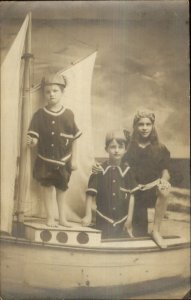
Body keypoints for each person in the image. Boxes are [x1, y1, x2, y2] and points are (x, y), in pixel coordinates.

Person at [92, 110, 171, 248]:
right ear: (135, 126)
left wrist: (164, 180)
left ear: (153, 126)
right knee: (134, 234)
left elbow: (166, 170)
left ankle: (156, 231)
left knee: (164, 191)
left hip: (149, 191)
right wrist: (98, 167)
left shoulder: (160, 148)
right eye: (141, 124)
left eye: (148, 124)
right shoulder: (129, 146)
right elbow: (114, 158)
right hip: (131, 192)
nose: (145, 128)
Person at [27, 73, 82, 227]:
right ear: (44, 93)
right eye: (47, 91)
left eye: (55, 91)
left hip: (64, 160)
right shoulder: (39, 115)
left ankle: (62, 218)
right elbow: (34, 138)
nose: (51, 94)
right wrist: (32, 142)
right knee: (46, 187)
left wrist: (75, 159)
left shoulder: (68, 114)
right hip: (45, 159)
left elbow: (74, 138)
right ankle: (50, 217)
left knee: (61, 189)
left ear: (62, 92)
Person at [81, 129, 138, 239]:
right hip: (103, 220)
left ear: (125, 149)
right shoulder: (99, 170)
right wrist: (88, 215)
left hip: (123, 221)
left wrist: (129, 220)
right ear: (106, 149)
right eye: (113, 147)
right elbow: (90, 194)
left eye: (120, 147)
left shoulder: (128, 171)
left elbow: (132, 196)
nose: (117, 150)